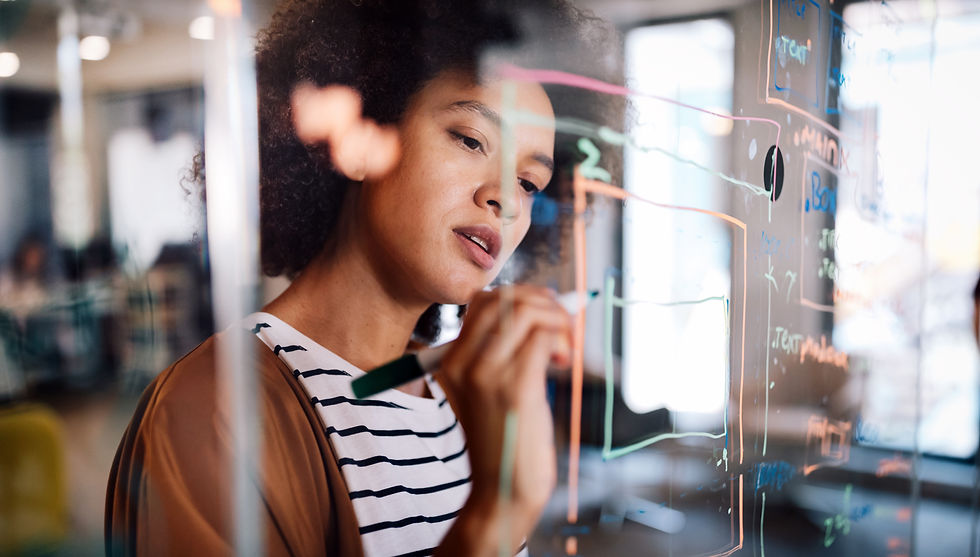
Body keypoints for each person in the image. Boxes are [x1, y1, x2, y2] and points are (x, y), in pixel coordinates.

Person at [105, 1, 622, 556]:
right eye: (471, 140)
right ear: (360, 140)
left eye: (529, 182)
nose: (503, 199)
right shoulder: (214, 410)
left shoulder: (465, 397)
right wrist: (495, 514)